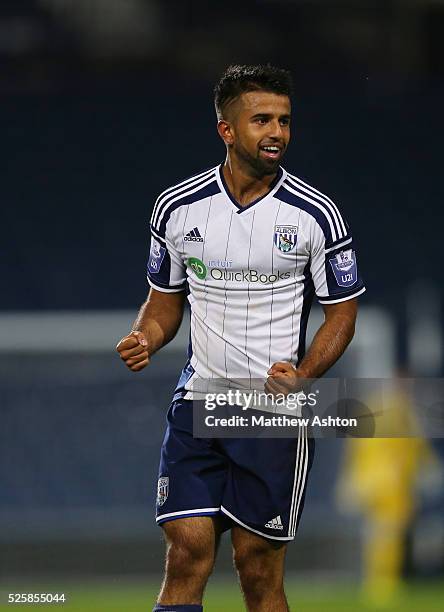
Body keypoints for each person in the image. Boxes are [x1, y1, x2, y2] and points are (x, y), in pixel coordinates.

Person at [116, 64, 365, 612]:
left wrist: (304, 377)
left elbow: (342, 316)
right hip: (200, 403)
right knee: (186, 553)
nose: (276, 131)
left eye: (284, 120)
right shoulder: (177, 209)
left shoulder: (315, 215)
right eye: (261, 120)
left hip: (272, 415)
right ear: (227, 129)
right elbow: (164, 306)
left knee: (256, 567)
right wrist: (146, 337)